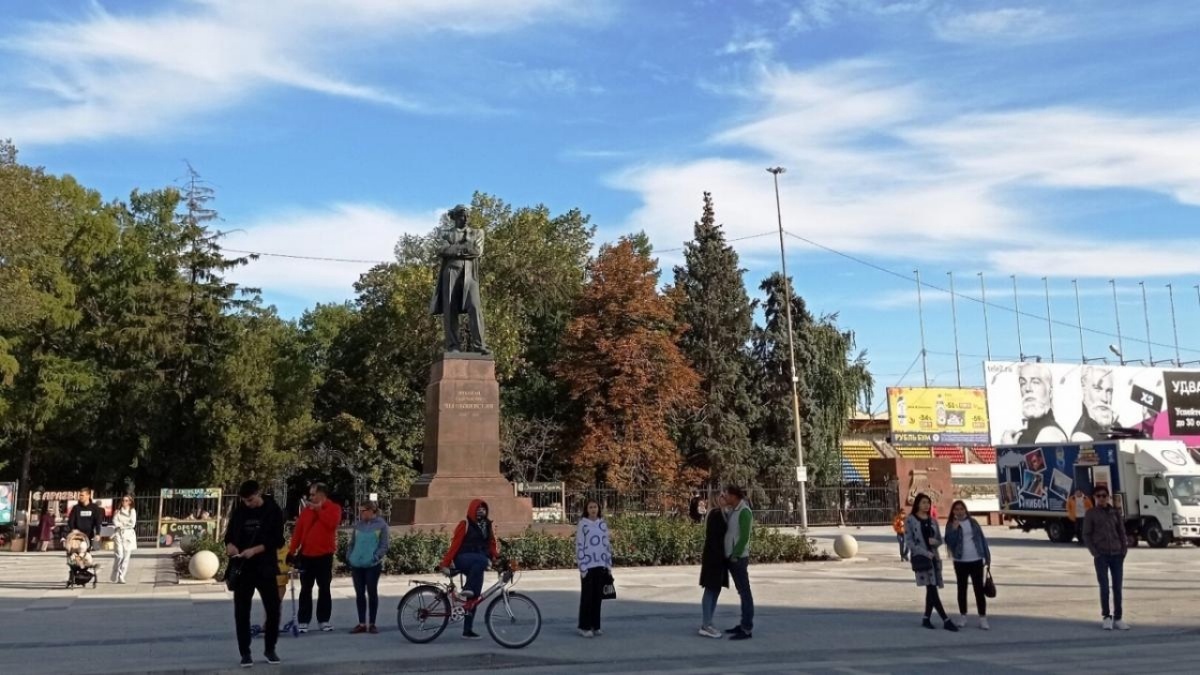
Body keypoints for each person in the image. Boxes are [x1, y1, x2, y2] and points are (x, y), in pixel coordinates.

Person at [224, 480, 286, 668]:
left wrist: (256, 550)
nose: (248, 504)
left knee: (273, 608)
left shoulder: (272, 510)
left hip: (265, 566)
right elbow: (229, 535)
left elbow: (278, 540)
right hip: (243, 567)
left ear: (259, 493)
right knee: (241, 611)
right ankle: (245, 652)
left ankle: (270, 648)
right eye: (245, 501)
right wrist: (230, 546)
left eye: (250, 500)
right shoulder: (240, 511)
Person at [429, 204, 488, 353]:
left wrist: (454, 249)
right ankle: (453, 346)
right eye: (462, 215)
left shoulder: (477, 233)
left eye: (467, 215)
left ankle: (479, 346)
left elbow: (477, 251)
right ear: (454, 217)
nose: (466, 218)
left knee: (475, 307)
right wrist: (464, 247)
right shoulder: (445, 234)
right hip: (450, 272)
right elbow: (442, 250)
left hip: (470, 274)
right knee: (450, 309)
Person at [439, 499, 500, 639]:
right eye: (478, 508)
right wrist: (445, 563)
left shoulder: (487, 526)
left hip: (477, 564)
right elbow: (455, 545)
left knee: (475, 597)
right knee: (482, 561)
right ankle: (467, 587)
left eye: (483, 508)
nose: (481, 511)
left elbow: (491, 546)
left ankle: (467, 630)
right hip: (463, 559)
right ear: (472, 509)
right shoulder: (465, 524)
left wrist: (497, 557)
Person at [286, 482, 342, 633]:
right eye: (310, 494)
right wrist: (291, 551)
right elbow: (298, 531)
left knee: (324, 588)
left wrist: (319, 511)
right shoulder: (306, 510)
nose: (310, 497)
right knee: (305, 589)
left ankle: (323, 620)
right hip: (306, 555)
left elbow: (332, 524)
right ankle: (304, 620)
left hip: (324, 555)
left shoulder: (334, 508)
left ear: (322, 495)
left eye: (313, 494)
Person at [905, 493, 957, 631]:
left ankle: (926, 618)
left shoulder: (933, 521)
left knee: (931, 588)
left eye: (928, 502)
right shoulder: (910, 520)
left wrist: (936, 542)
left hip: (934, 558)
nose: (926, 505)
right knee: (932, 588)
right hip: (922, 559)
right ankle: (945, 619)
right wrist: (923, 552)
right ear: (917, 504)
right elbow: (909, 541)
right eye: (923, 502)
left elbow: (940, 539)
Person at [1082, 486, 1129, 630]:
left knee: (1117, 587)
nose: (1102, 498)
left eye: (1104, 495)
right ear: (1094, 498)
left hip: (1116, 554)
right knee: (1104, 587)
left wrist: (1123, 549)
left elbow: (1121, 532)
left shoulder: (1115, 512)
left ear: (1108, 497)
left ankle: (1118, 618)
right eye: (1098, 496)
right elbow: (1086, 534)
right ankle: (1106, 616)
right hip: (1101, 554)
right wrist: (1094, 552)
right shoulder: (1091, 513)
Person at [944, 500, 992, 630]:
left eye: (961, 509)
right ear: (953, 511)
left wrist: (987, 557)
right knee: (962, 589)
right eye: (956, 509)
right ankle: (963, 616)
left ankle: (982, 618)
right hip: (960, 561)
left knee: (979, 590)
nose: (959, 511)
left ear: (965, 510)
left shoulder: (973, 523)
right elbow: (949, 542)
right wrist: (954, 529)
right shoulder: (950, 524)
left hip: (976, 559)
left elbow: (982, 539)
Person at [347, 501, 390, 634]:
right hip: (357, 565)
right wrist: (349, 556)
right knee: (359, 594)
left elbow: (384, 545)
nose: (361, 513)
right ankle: (361, 623)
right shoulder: (358, 525)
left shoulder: (382, 525)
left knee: (372, 592)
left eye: (363, 510)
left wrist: (375, 557)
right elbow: (352, 543)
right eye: (360, 511)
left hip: (372, 565)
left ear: (372, 511)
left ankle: (372, 623)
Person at [1000, 363, 1067, 444]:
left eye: (1035, 382)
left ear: (1050, 392)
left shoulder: (1049, 433)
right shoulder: (1026, 433)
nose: (1027, 389)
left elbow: (1042, 457)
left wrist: (1008, 448)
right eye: (1023, 383)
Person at [575, 499, 613, 638]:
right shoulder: (583, 524)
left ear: (598, 508)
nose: (593, 509)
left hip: (601, 564)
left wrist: (608, 565)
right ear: (586, 509)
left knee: (598, 597)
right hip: (588, 565)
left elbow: (606, 544)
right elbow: (579, 545)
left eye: (595, 507)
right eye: (590, 507)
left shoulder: (602, 524)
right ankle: (584, 626)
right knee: (587, 597)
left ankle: (595, 625)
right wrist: (582, 566)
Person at [722, 485, 754, 641]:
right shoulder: (734, 511)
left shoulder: (744, 511)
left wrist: (735, 555)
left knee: (745, 593)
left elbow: (744, 537)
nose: (725, 497)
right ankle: (743, 624)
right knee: (742, 593)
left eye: (726, 495)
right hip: (732, 556)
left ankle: (747, 628)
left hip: (739, 558)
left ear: (734, 496)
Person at [698, 492, 728, 638]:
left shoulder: (721, 514)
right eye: (722, 496)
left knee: (715, 589)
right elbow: (716, 538)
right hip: (714, 557)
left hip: (718, 557)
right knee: (711, 589)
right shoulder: (716, 514)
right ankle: (706, 624)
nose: (726, 498)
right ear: (717, 499)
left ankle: (709, 621)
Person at [1072, 366, 1116, 441]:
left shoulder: (1110, 427)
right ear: (1084, 387)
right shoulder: (1082, 435)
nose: (1105, 399)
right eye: (1098, 389)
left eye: (1109, 391)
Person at [110, 495, 137, 584]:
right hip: (118, 534)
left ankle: (121, 576)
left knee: (126, 557)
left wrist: (121, 524)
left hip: (128, 535)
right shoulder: (118, 511)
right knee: (119, 555)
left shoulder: (132, 511)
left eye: (126, 500)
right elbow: (115, 521)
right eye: (123, 500)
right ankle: (115, 572)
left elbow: (132, 523)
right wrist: (121, 524)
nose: (124, 502)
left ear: (130, 502)